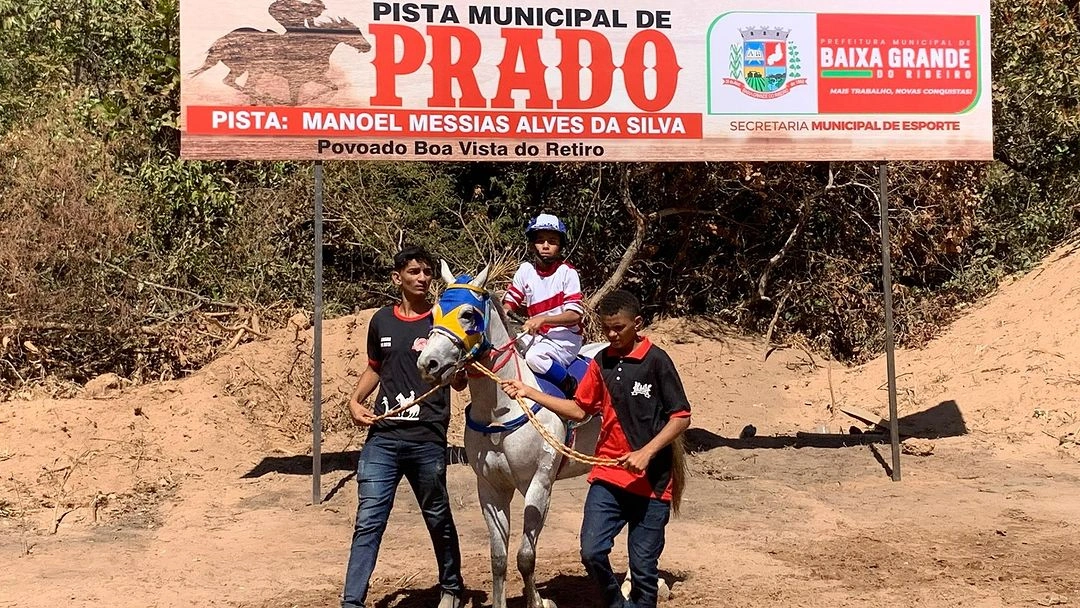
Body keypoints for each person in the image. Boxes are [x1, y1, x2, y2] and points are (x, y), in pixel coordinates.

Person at [502, 289, 692, 608]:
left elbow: (681, 417)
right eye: (606, 329)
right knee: (591, 552)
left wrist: (646, 452)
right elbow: (579, 410)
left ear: (638, 323)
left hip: (652, 484)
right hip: (608, 476)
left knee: (644, 572)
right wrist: (527, 392)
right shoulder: (601, 361)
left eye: (619, 328)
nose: (612, 335)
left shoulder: (656, 361)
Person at [343, 245, 467, 608]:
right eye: (414, 272)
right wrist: (354, 400)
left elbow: (458, 381)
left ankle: (452, 588)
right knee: (368, 520)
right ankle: (352, 602)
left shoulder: (442, 319)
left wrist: (456, 374)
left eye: (427, 272)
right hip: (382, 438)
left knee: (437, 515)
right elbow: (376, 366)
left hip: (427, 436)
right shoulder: (381, 320)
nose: (423, 278)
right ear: (398, 278)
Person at [502, 213, 585, 396]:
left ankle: (571, 389)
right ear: (532, 244)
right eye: (540, 240)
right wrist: (503, 312)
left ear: (560, 246)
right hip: (536, 336)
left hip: (565, 339)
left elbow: (575, 315)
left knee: (534, 357)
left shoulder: (567, 272)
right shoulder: (525, 270)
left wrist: (543, 319)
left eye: (552, 241)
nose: (546, 246)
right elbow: (510, 304)